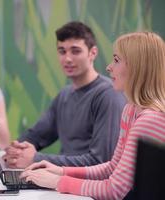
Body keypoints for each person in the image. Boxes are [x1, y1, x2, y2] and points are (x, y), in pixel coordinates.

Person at [20, 31, 165, 200]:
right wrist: (61, 171)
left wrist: (58, 181)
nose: (109, 67)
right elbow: (112, 167)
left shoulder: (149, 120)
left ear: (137, 67)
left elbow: (115, 190)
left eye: (116, 60)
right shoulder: (130, 111)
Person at [3, 21, 126, 168]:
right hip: (61, 181)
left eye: (75, 51)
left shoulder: (108, 95)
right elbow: (36, 135)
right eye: (62, 51)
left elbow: (102, 161)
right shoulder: (64, 94)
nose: (67, 59)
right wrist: (15, 151)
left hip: (86, 187)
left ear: (93, 53)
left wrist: (36, 159)